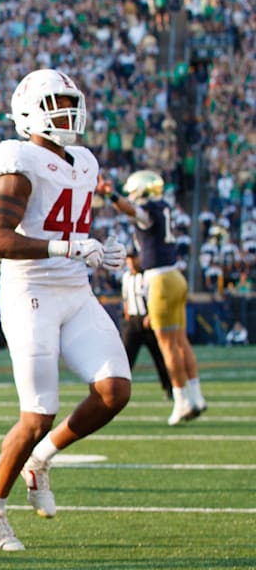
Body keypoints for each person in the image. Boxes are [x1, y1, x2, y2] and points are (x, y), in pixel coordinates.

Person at [0, 68, 130, 551]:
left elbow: (69, 225)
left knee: (114, 391)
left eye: (70, 101)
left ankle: (40, 460)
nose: (68, 112)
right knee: (38, 412)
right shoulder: (18, 160)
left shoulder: (84, 160)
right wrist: (69, 247)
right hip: (31, 292)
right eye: (55, 104)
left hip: (75, 290)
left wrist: (104, 250)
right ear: (29, 113)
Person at [104, 170, 207, 424]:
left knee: (168, 346)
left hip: (160, 281)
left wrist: (111, 195)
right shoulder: (165, 207)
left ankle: (182, 401)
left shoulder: (149, 210)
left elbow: (133, 211)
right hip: (175, 275)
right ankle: (197, 396)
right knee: (181, 341)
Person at [119, 249, 172, 399]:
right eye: (129, 259)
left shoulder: (147, 276)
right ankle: (120, 389)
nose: (131, 261)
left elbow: (155, 297)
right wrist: (127, 315)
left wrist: (151, 315)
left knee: (159, 357)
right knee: (125, 357)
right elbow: (125, 298)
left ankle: (169, 388)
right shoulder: (126, 277)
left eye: (133, 258)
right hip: (133, 322)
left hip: (148, 321)